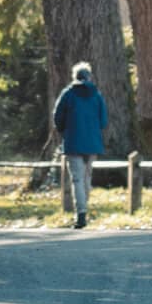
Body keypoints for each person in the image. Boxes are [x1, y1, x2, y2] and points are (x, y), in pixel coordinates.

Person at [52, 61, 108, 227]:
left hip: (74, 142)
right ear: (89, 76)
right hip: (92, 144)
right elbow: (103, 121)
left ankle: (81, 214)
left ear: (75, 77)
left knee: (77, 179)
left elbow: (57, 117)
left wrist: (65, 130)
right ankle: (84, 209)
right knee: (86, 178)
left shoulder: (68, 94)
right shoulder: (97, 95)